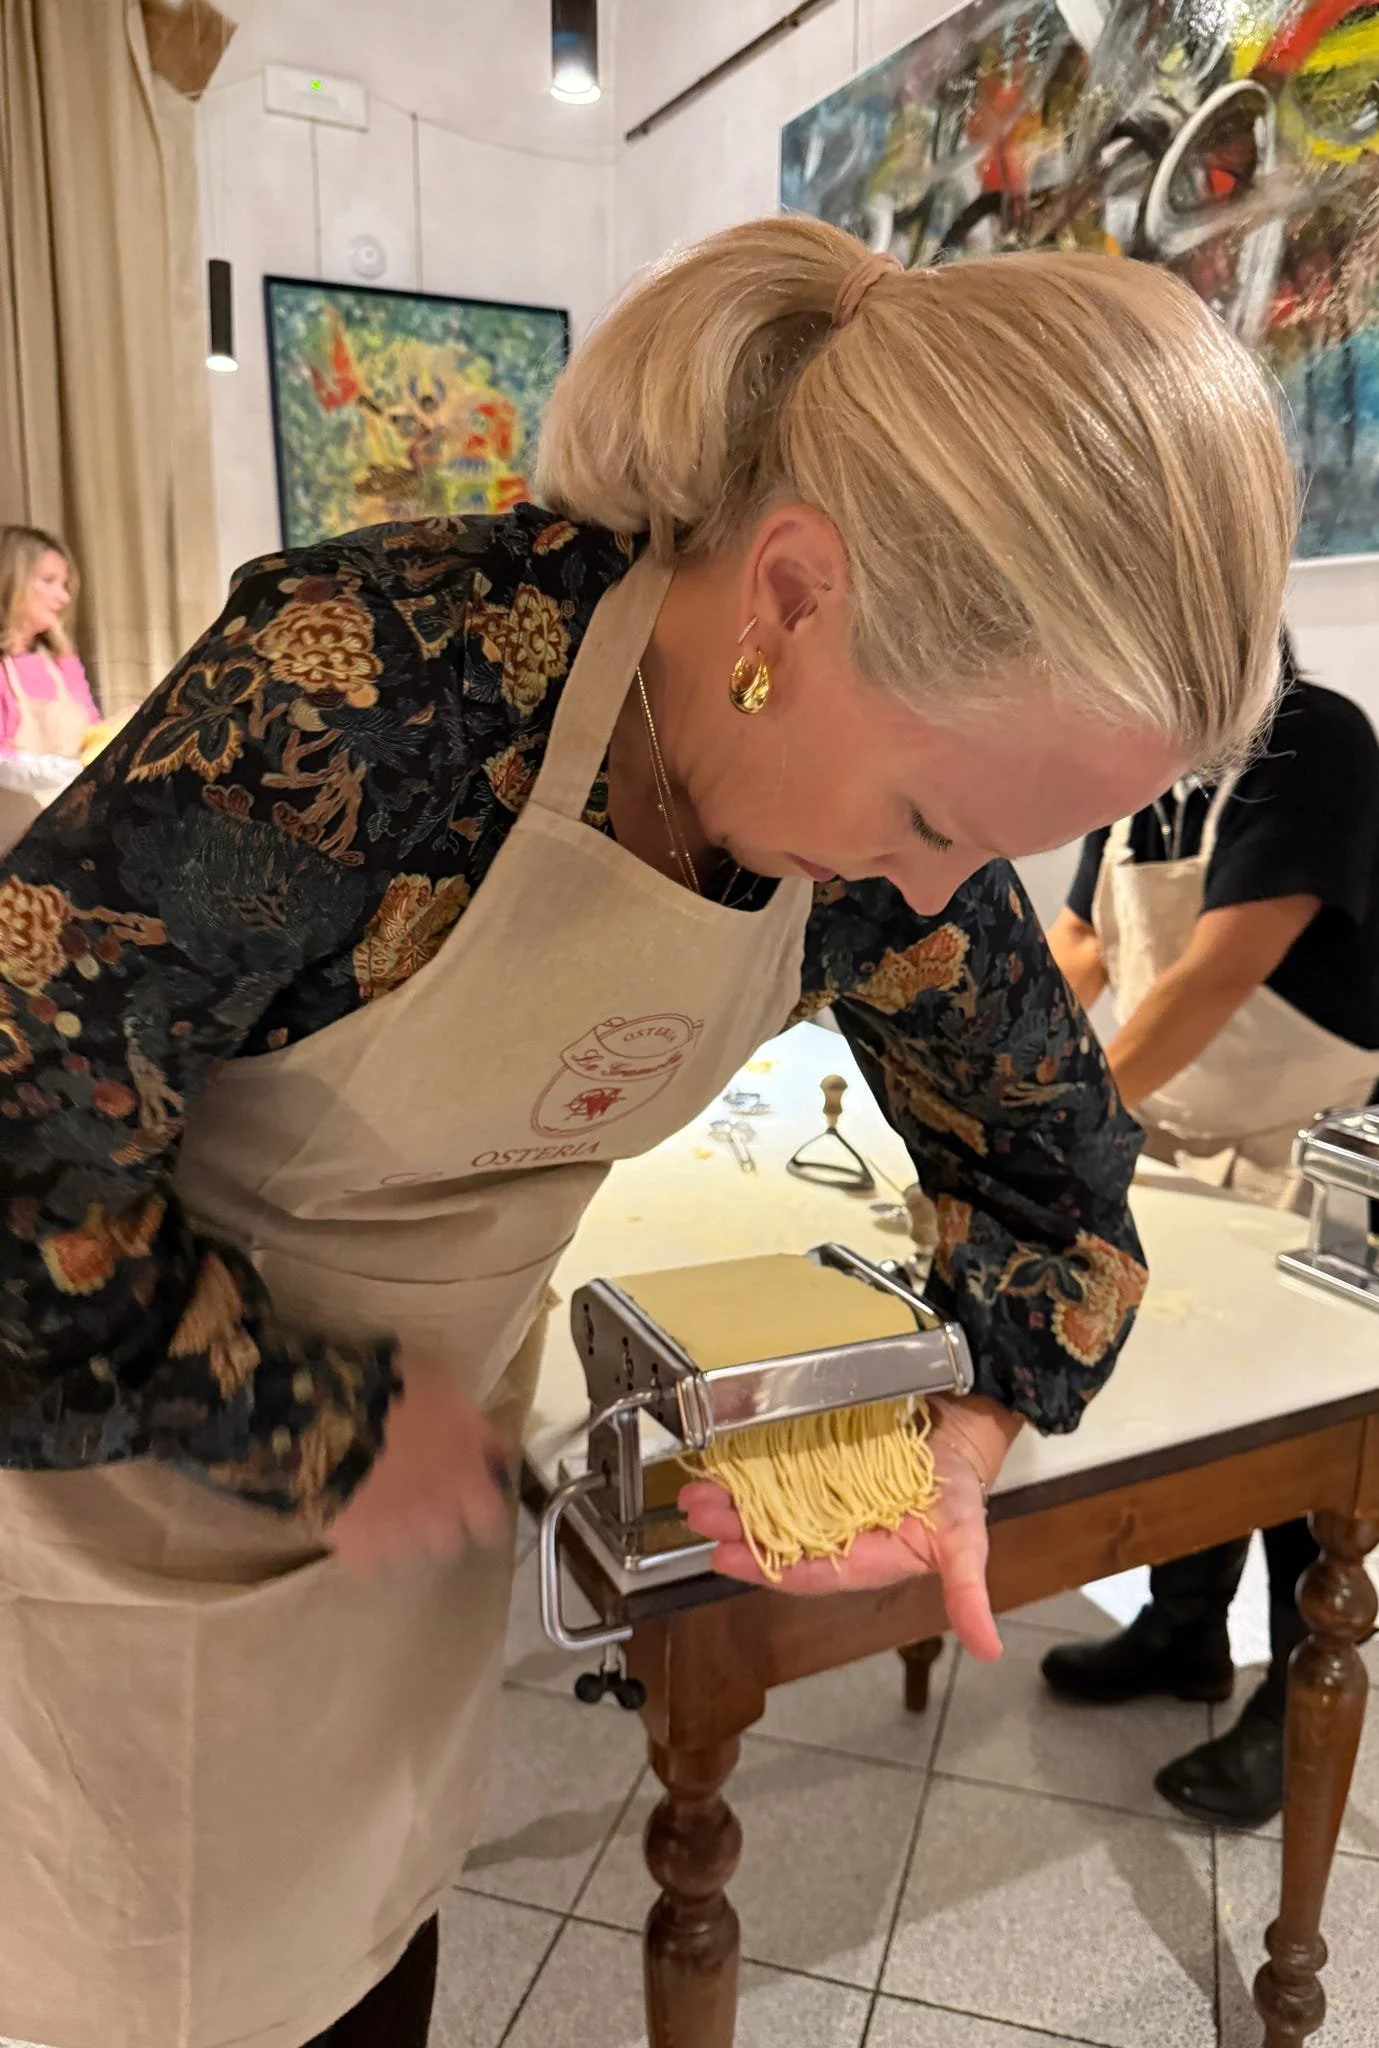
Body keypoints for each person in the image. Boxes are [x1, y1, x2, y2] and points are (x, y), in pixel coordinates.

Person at [0, 219, 1294, 2048]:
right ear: (786, 596)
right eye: (932, 813)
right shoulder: (370, 684)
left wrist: (967, 1411)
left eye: (983, 853)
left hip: (402, 1544)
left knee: (369, 1966)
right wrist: (325, 1420)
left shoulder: (862, 872)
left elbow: (1058, 1176)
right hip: (107, 1520)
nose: (942, 896)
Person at [1039, 632, 1379, 1827]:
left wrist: (1068, 1123)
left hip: (1312, 1156)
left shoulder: (1317, 743)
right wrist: (997, 1062)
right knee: (1196, 1405)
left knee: (1304, 1451)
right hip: (1187, 1140)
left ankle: (1288, 1701)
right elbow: (1085, 944)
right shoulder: (1149, 767)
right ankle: (1185, 1629)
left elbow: (1214, 973)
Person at [0, 525, 113, 854]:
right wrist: (52, 772)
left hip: (65, 835)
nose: (63, 598)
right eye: (49, 581)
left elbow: (89, 729)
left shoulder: (60, 660)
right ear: (11, 581)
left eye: (64, 586)